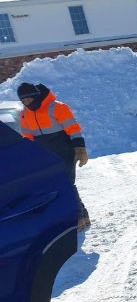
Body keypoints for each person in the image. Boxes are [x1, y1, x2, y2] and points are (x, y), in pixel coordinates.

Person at [17, 82, 90, 229]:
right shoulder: (24, 113)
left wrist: (80, 147)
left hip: (65, 151)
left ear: (35, 96)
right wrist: (28, 154)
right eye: (23, 101)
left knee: (66, 183)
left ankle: (77, 218)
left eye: (29, 100)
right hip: (45, 154)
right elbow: (27, 136)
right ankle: (83, 216)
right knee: (58, 184)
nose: (27, 103)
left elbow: (73, 128)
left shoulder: (57, 107)